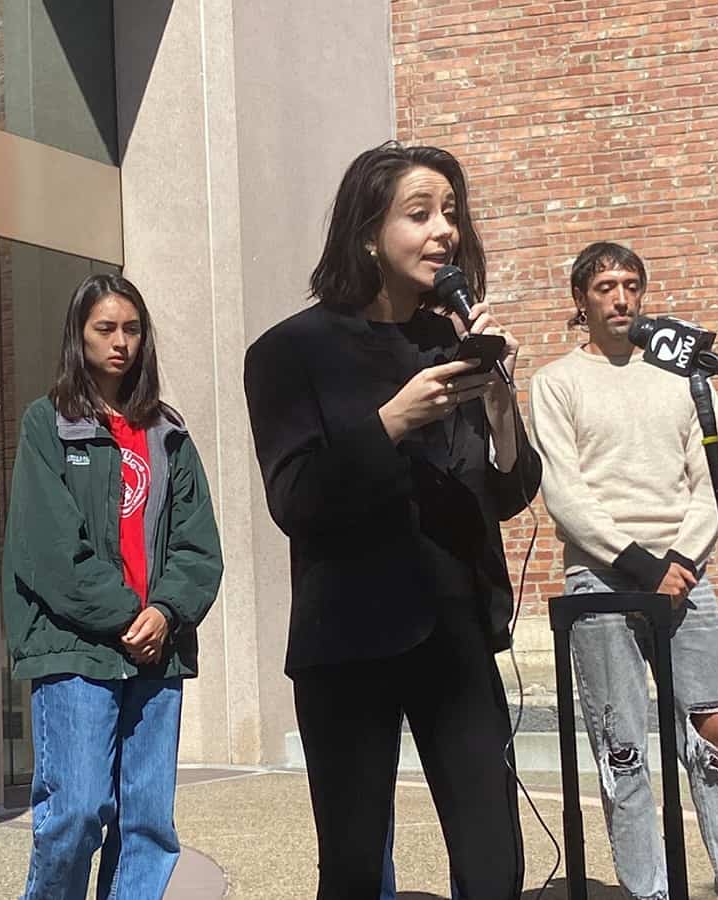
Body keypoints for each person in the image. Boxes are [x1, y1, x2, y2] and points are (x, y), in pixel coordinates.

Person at [244, 142, 541, 899]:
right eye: (420, 213)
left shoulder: (452, 343)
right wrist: (390, 423)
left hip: (457, 635)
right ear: (368, 233)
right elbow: (296, 501)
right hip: (347, 643)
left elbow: (504, 494)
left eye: (451, 212)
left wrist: (503, 402)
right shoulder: (288, 352)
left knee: (493, 864)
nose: (444, 230)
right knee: (351, 867)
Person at [529, 242, 718, 900]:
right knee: (621, 744)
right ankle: (646, 890)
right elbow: (564, 492)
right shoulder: (555, 382)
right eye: (605, 287)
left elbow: (708, 482)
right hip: (600, 579)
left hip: (686, 577)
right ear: (581, 300)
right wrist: (637, 566)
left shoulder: (686, 378)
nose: (621, 298)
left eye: (631, 285)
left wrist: (681, 563)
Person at [2, 273, 224, 899]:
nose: (120, 342)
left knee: (147, 825)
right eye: (105, 329)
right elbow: (48, 551)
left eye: (132, 329)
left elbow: (198, 546)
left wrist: (166, 612)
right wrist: (129, 616)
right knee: (74, 813)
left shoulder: (168, 434)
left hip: (158, 650)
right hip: (76, 648)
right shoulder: (48, 424)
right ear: (79, 336)